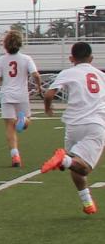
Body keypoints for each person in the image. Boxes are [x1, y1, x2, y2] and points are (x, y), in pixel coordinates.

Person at [40, 41, 105, 215]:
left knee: (76, 163)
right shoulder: (100, 74)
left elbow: (49, 94)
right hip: (94, 124)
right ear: (91, 58)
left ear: (71, 58)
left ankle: (87, 202)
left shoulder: (67, 72)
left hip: (73, 125)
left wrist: (47, 108)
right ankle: (63, 160)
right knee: (84, 167)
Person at [0, 31, 42, 168]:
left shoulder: (1, 60)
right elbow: (36, 75)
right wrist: (39, 88)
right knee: (27, 121)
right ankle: (23, 120)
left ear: (5, 45)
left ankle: (15, 155)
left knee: (9, 126)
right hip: (21, 95)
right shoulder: (26, 59)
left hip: (7, 95)